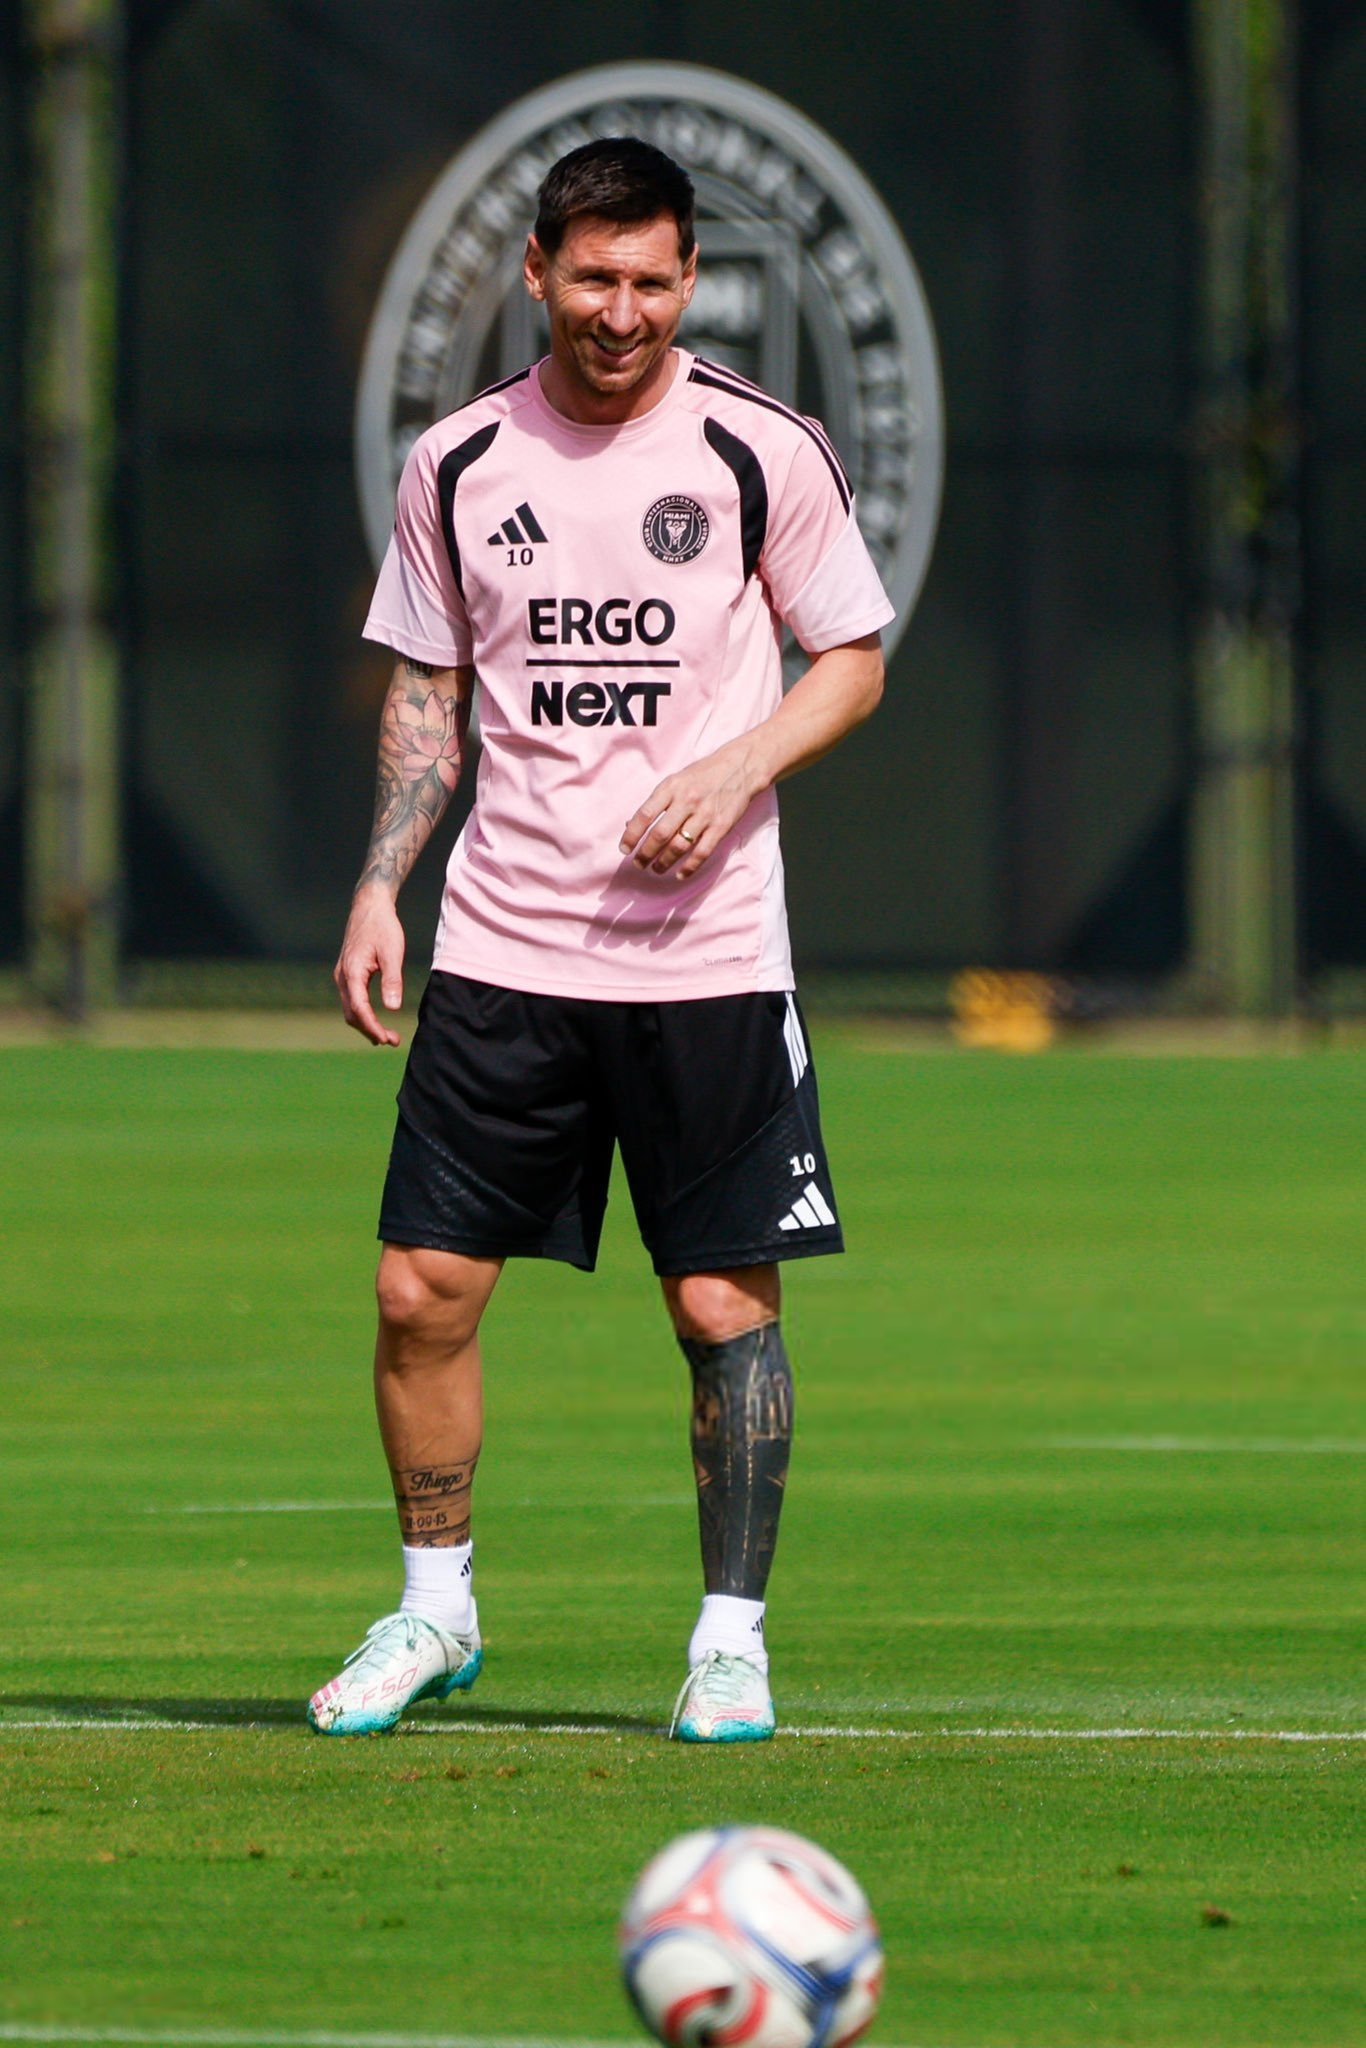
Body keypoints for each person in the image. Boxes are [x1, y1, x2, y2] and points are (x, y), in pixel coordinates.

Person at [308, 136, 893, 1744]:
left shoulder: (760, 449)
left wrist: (732, 766)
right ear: (536, 273)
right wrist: (379, 883)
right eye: (590, 279)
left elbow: (850, 659)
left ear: (688, 279)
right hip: (505, 948)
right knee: (420, 1290)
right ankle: (435, 1612)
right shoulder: (458, 462)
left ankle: (728, 1646)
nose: (619, 311)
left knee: (719, 1308)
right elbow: (429, 688)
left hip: (706, 962)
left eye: (649, 280)